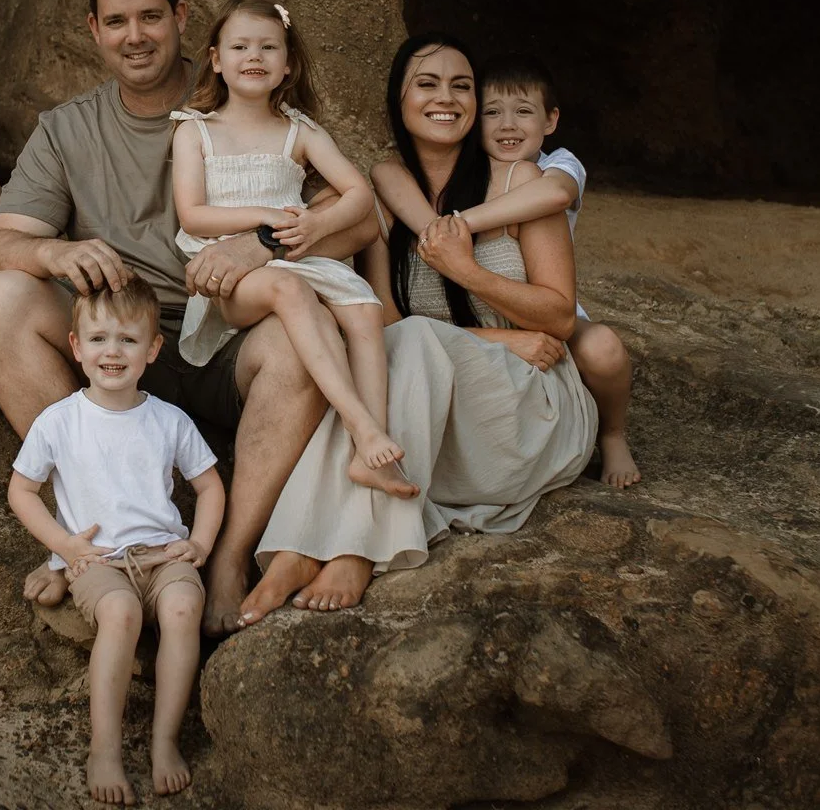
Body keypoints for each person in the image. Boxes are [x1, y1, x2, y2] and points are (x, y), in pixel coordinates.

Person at [0, 0, 376, 636]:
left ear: (183, 18)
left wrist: (262, 244)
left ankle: (227, 557)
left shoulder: (244, 91)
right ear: (94, 30)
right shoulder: (68, 129)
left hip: (226, 331)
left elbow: (358, 218)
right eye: (118, 21)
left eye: (152, 17)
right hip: (119, 341)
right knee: (0, 297)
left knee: (297, 339)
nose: (137, 36)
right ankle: (91, 537)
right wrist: (53, 248)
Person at [242, 33, 597, 622]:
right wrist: (499, 337)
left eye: (462, 86)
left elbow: (560, 317)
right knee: (382, 348)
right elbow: (386, 320)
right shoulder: (383, 197)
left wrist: (467, 272)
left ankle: (354, 544)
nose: (447, 98)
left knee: (401, 348)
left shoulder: (521, 183)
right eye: (427, 84)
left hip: (533, 408)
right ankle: (300, 548)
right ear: (398, 100)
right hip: (440, 412)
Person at [169, 0, 412, 498]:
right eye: (239, 46)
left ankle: (371, 449)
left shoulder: (299, 131)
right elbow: (193, 213)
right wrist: (266, 216)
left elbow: (359, 194)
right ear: (216, 59)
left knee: (365, 310)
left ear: (287, 65)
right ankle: (358, 424)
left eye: (268, 48)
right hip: (228, 277)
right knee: (287, 291)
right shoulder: (195, 130)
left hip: (289, 259)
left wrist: (317, 229)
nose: (253, 57)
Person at [371, 52, 641, 487]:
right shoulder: (419, 179)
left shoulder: (554, 166)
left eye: (523, 113)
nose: (507, 125)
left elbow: (553, 196)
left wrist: (458, 228)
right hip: (488, 333)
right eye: (492, 112)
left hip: (549, 309)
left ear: (550, 121)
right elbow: (384, 174)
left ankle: (613, 433)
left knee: (602, 349)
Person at [7, 277, 224, 803]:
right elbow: (22, 492)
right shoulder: (59, 421)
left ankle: (164, 739)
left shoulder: (168, 419)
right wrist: (65, 547)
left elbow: (209, 485)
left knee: (180, 608)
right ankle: (104, 748)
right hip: (99, 561)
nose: (113, 351)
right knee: (121, 614)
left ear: (152, 349)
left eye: (128, 340)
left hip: (162, 554)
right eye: (99, 338)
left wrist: (198, 545)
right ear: (76, 347)